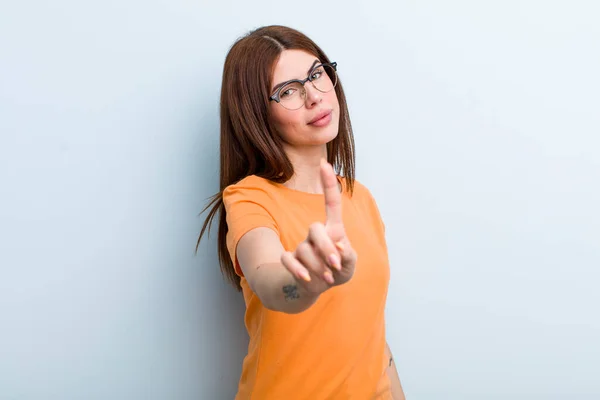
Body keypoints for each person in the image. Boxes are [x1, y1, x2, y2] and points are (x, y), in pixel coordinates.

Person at [198, 25, 406, 399]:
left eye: (316, 74)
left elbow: (374, 338)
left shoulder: (360, 199)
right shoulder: (248, 198)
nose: (314, 96)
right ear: (256, 114)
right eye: (288, 91)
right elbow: (272, 284)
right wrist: (307, 283)